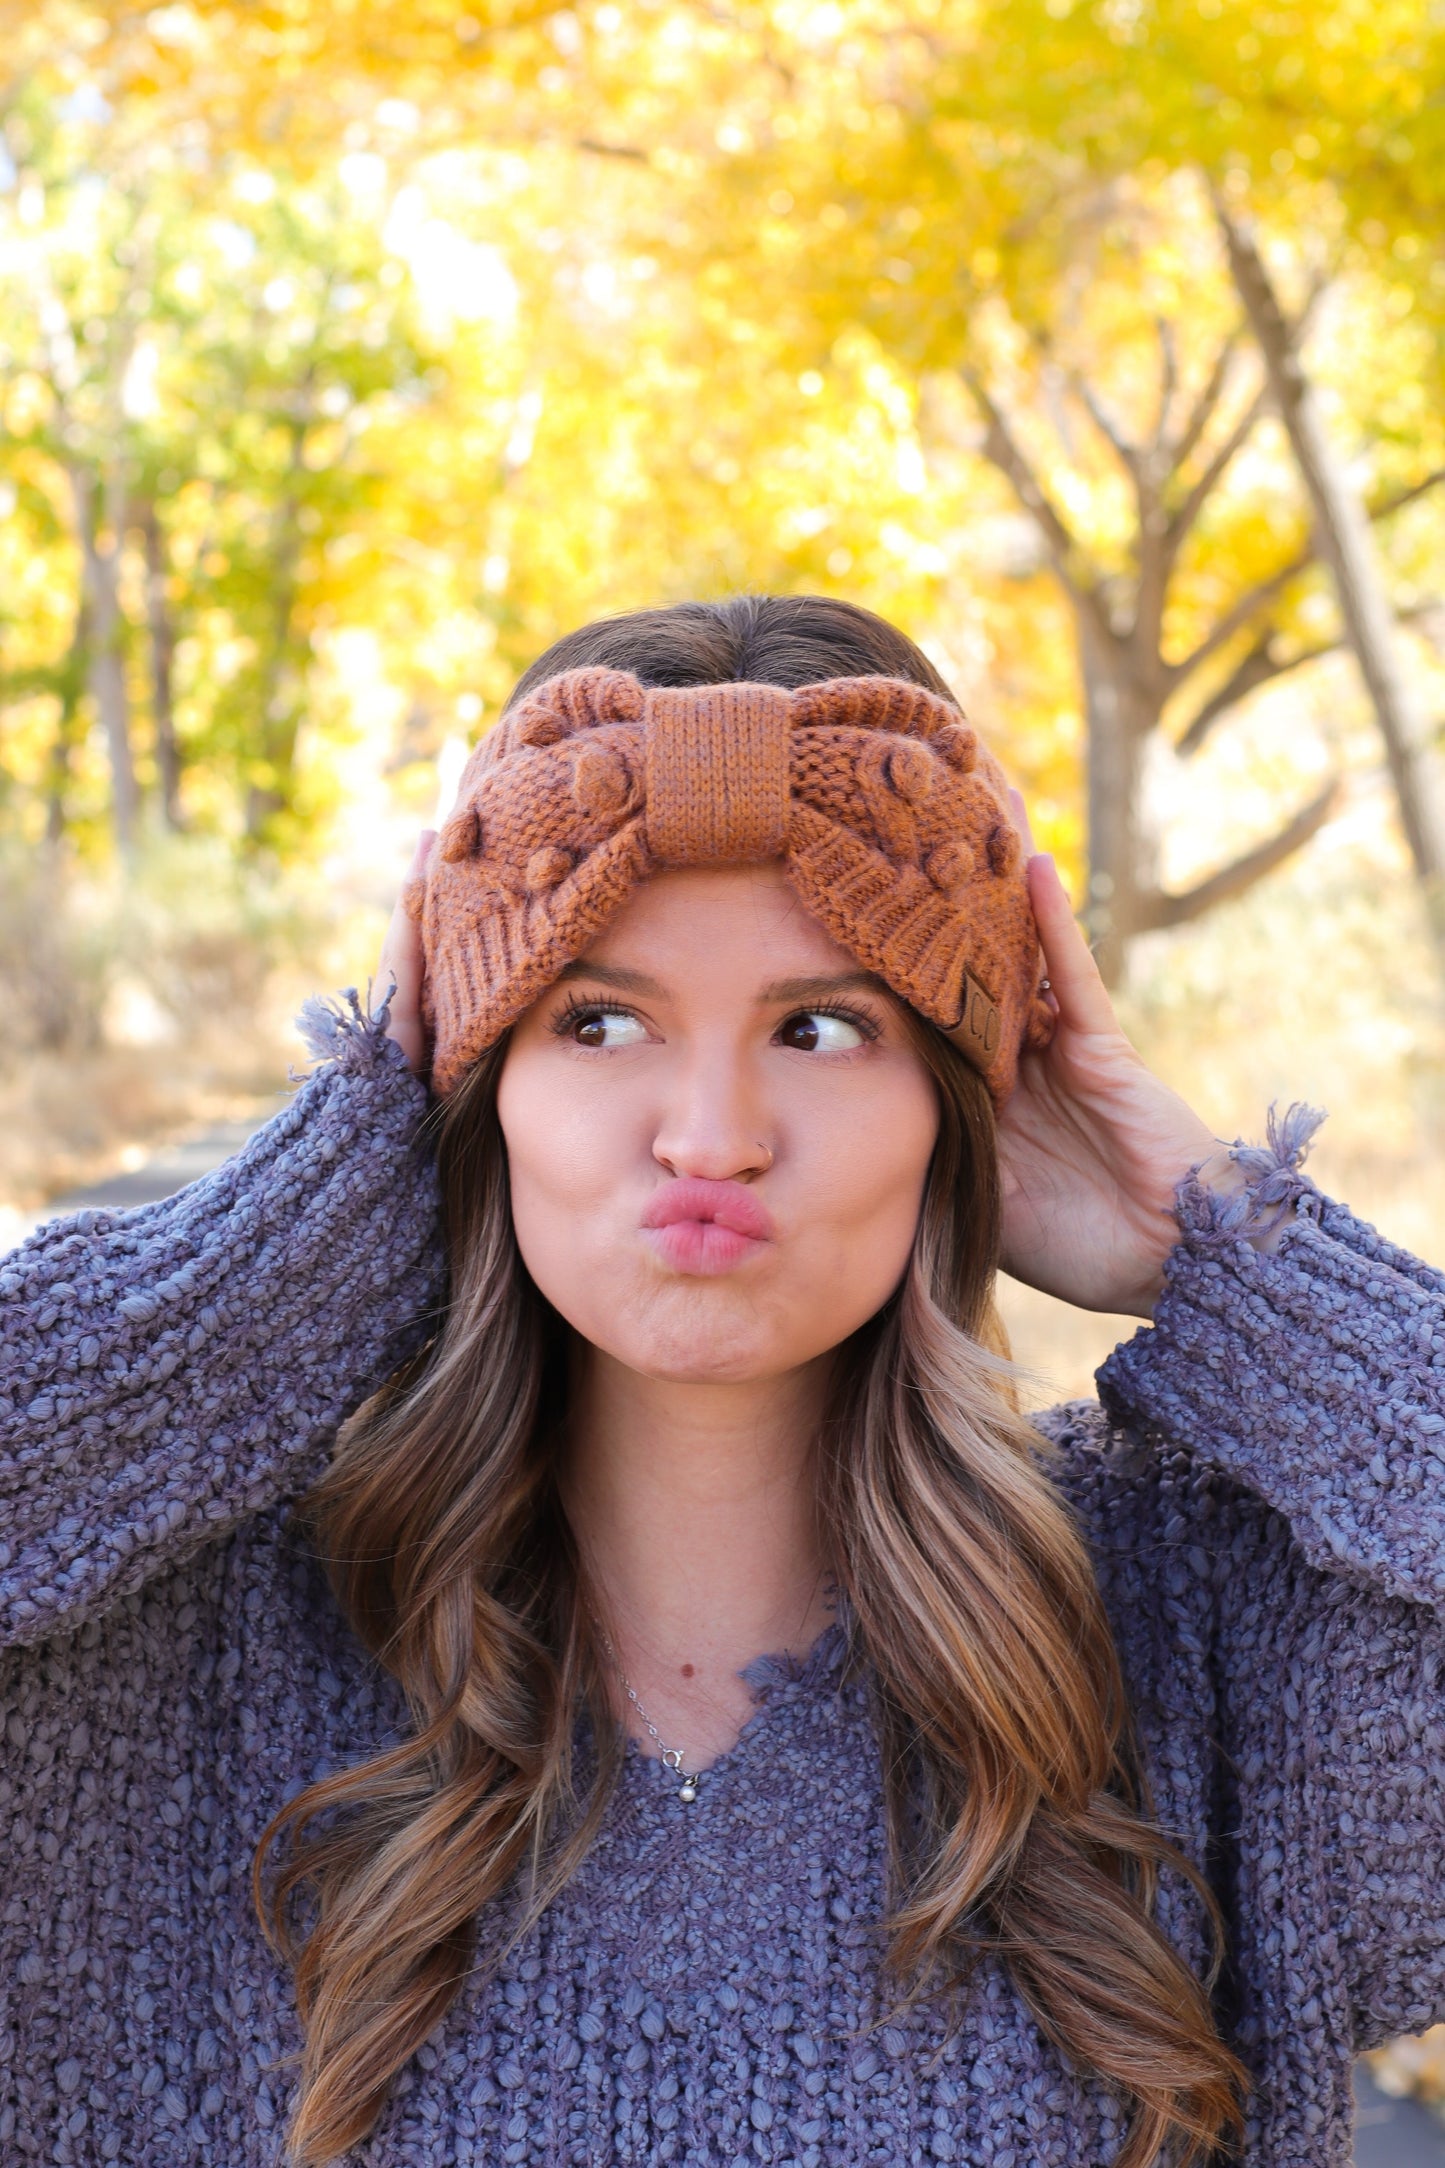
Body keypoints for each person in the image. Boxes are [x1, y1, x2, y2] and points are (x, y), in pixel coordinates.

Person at [2, 592, 1442, 2168]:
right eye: (598, 1020)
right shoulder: (156, 1667)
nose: (708, 1129)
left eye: (820, 1028)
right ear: (471, 1092)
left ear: (958, 1106)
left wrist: (1231, 1256)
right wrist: (295, 1245)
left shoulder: (1202, 1629)